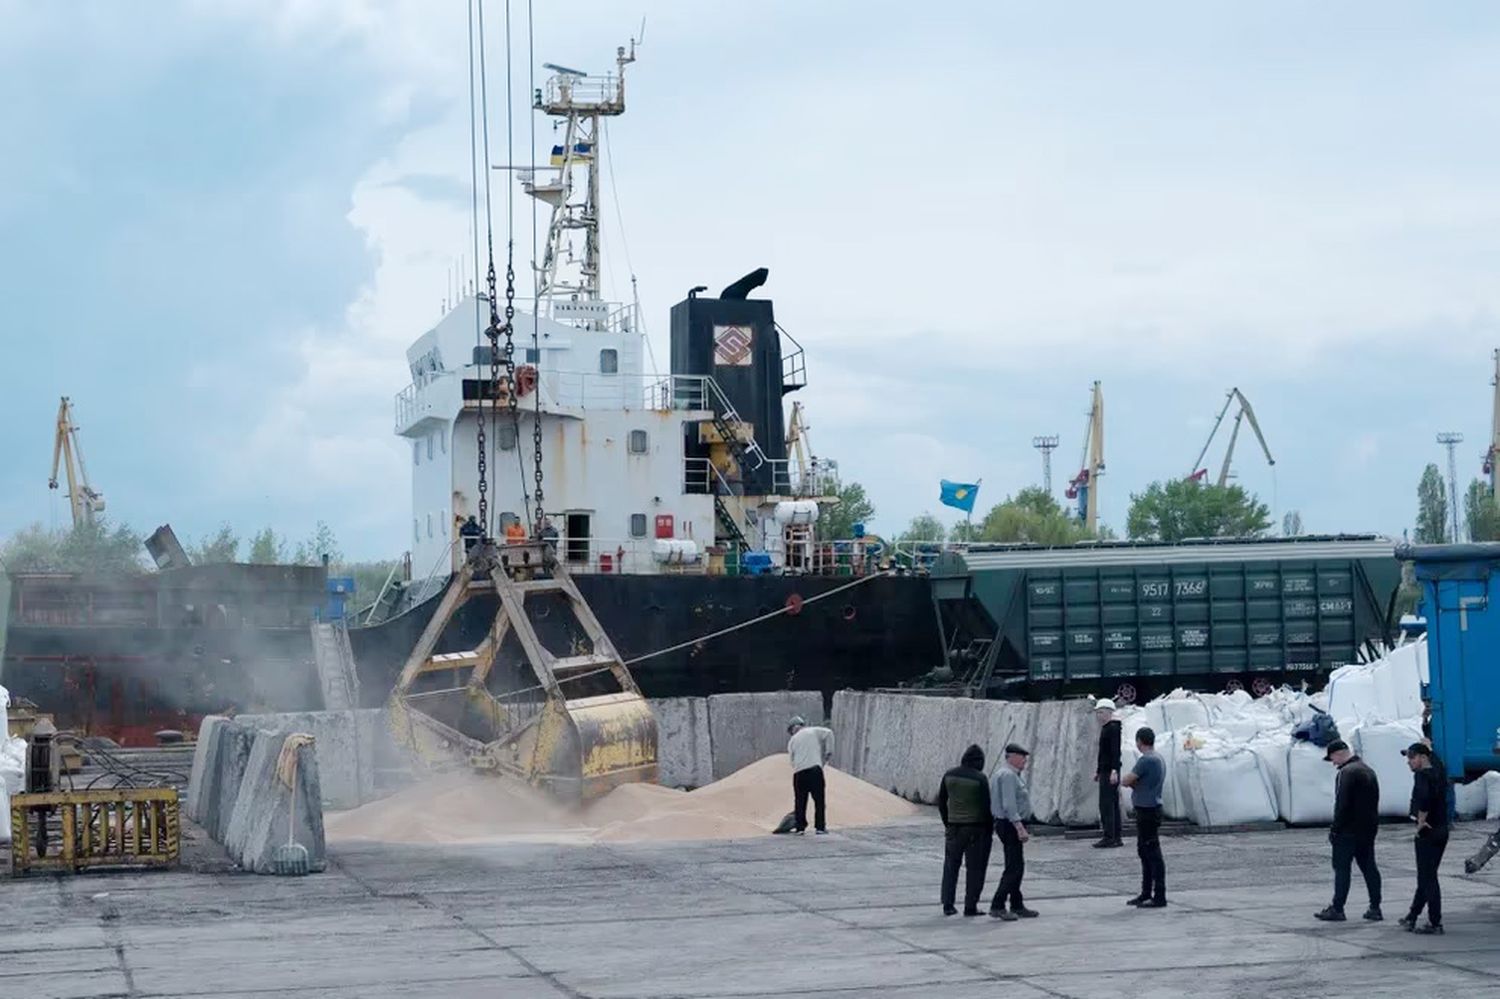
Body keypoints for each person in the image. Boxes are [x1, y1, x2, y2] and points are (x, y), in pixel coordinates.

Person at [1316, 739, 1382, 922]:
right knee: (1369, 867)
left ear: (1339, 753)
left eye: (1332, 759)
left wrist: (1335, 829)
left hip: (1347, 830)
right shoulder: (1368, 770)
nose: (1334, 764)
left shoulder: (1346, 773)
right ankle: (1375, 907)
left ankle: (1338, 908)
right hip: (1368, 829)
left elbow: (1342, 804)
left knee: (1342, 869)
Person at [937, 744, 993, 916]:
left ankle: (948, 904)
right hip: (975, 830)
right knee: (975, 869)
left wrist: (948, 823)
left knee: (950, 867)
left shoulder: (949, 775)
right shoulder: (980, 779)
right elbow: (986, 807)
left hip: (953, 828)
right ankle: (970, 906)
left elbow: (941, 802)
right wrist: (989, 830)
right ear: (979, 762)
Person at [1401, 742, 1449, 934]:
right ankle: (1412, 916)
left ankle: (1435, 922)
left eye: (1412, 758)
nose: (1409, 762)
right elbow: (1436, 760)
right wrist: (1429, 746)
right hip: (1441, 830)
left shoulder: (1422, 776)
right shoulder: (1438, 771)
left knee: (1428, 878)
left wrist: (1421, 820)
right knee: (1426, 876)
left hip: (1428, 831)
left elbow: (1424, 797)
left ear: (1422, 757)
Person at [989, 743, 1039, 920]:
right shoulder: (1009, 776)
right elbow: (1009, 804)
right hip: (1010, 825)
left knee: (1017, 865)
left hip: (1006, 823)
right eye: (1022, 756)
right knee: (1014, 868)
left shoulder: (1005, 774)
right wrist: (1019, 827)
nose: (1025, 760)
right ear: (1012, 756)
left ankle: (1017, 904)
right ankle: (998, 905)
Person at [1122, 726, 1167, 908]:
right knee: (1145, 852)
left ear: (1140, 741)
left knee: (1151, 853)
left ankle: (1158, 896)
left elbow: (1126, 780)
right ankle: (1146, 892)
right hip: (1152, 807)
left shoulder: (1146, 760)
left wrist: (1130, 782)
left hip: (1146, 810)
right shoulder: (1159, 758)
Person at [786, 717, 834, 835]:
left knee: (800, 801)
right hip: (814, 770)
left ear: (793, 729)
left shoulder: (792, 740)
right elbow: (829, 733)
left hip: (799, 773)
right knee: (819, 800)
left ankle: (800, 828)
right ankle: (820, 827)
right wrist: (828, 752)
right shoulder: (813, 731)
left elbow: (791, 760)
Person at [1093, 698, 1124, 849]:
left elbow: (1114, 752)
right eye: (1097, 713)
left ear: (1109, 713)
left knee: (1107, 805)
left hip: (1110, 772)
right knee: (1111, 804)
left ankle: (1110, 837)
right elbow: (1103, 754)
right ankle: (1115, 836)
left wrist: (1113, 771)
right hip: (1105, 770)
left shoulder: (1112, 728)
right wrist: (1099, 771)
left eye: (1101, 712)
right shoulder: (1107, 728)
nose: (1098, 716)